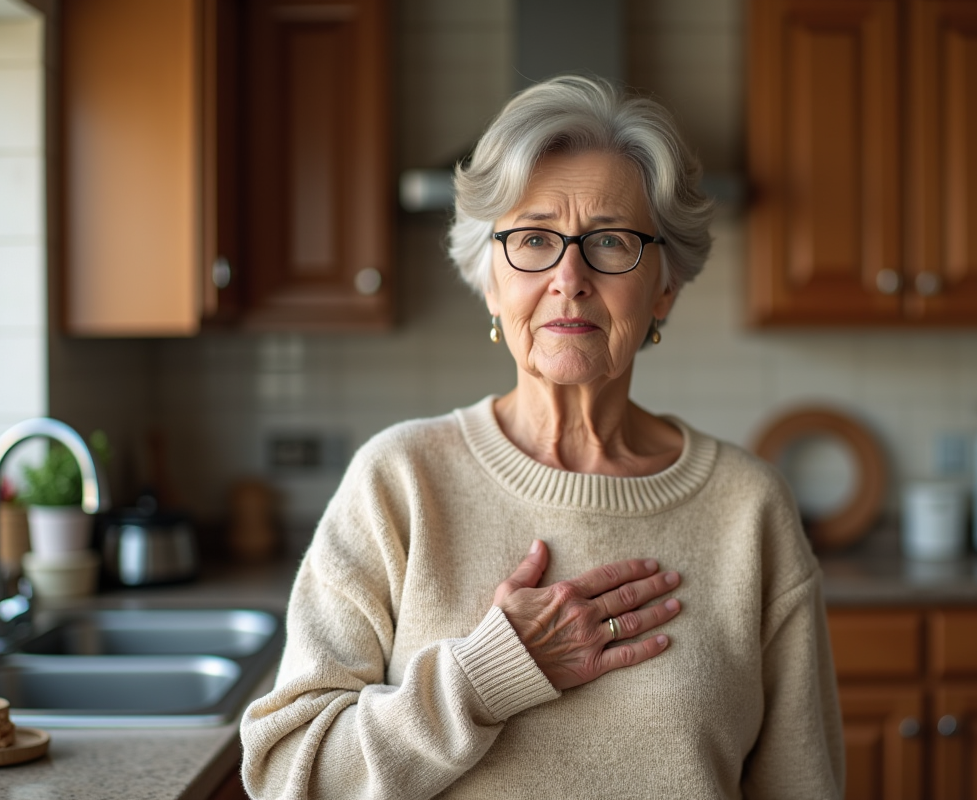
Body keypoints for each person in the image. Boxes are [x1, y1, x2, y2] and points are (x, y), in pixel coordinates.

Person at [240, 74, 843, 799]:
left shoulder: (750, 508)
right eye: (533, 239)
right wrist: (486, 674)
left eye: (611, 241)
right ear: (491, 280)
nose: (569, 277)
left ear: (665, 287)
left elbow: (800, 785)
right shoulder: (399, 482)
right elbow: (286, 778)